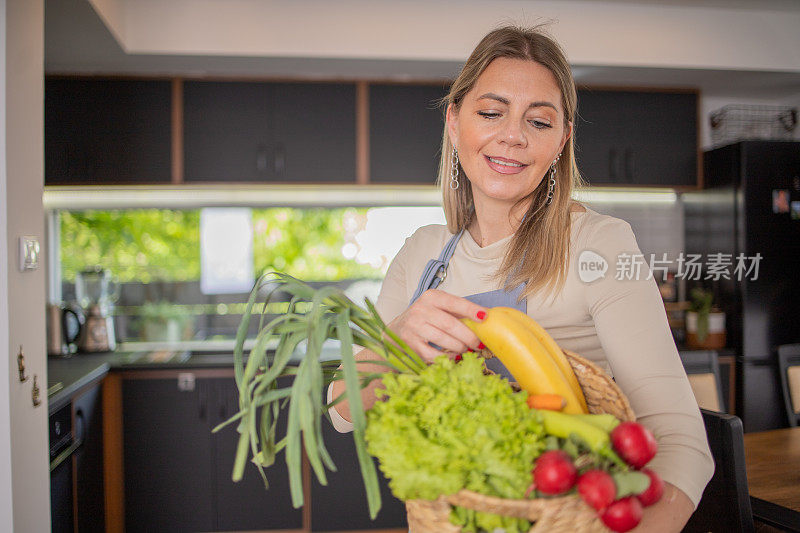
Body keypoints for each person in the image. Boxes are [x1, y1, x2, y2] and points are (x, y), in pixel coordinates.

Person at [329, 25, 713, 532]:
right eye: (490, 113)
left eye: (539, 121)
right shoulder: (422, 252)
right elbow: (341, 411)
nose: (513, 135)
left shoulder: (599, 243)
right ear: (454, 120)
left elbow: (681, 439)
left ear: (562, 139)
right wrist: (393, 345)